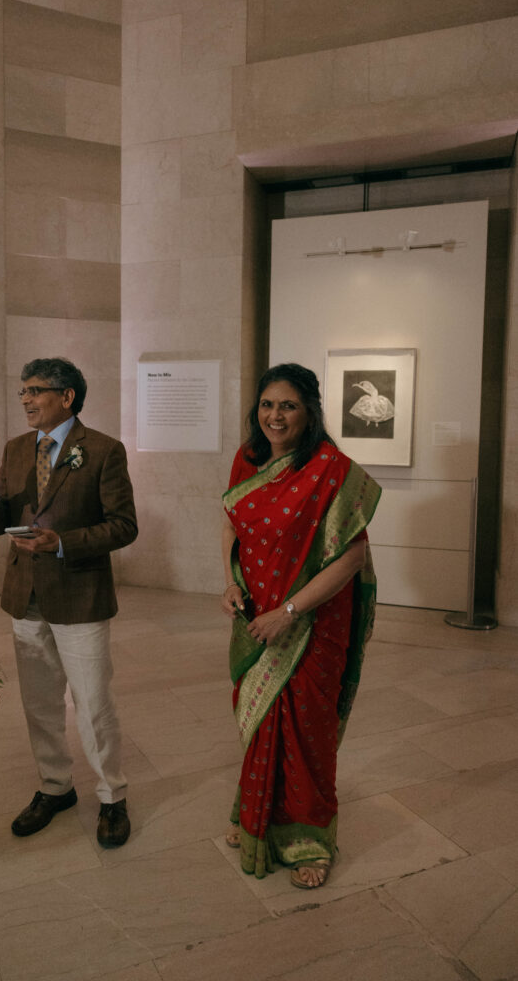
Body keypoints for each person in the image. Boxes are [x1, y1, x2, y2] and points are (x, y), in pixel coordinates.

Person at [221, 363, 381, 889]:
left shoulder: (333, 469)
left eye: (287, 405)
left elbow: (352, 559)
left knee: (306, 733)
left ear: (309, 410)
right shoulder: (248, 461)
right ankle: (256, 816)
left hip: (311, 624)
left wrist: (287, 612)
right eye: (267, 405)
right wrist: (230, 581)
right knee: (260, 722)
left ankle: (311, 840)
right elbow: (232, 524)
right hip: (254, 617)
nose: (275, 415)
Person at [0, 357, 138, 848]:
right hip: (25, 594)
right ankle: (55, 787)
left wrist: (61, 542)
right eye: (22, 390)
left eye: (35, 390)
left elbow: (124, 526)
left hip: (79, 594)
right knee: (40, 704)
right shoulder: (16, 448)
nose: (24, 399)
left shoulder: (104, 450)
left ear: (67, 397)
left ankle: (112, 797)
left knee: (92, 704)